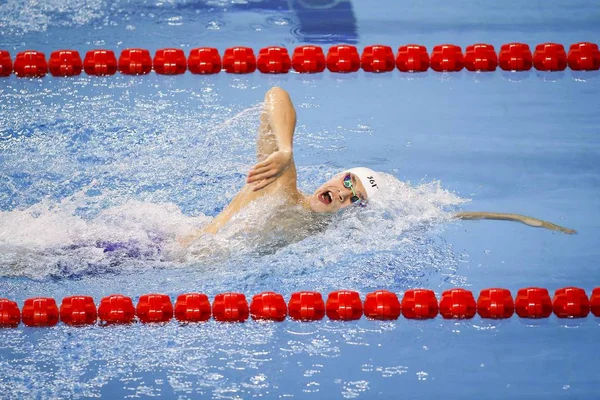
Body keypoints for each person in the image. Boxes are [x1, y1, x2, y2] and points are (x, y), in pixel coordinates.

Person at [181, 86, 575, 247]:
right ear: (334, 177)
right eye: (347, 181)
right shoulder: (284, 189)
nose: (344, 192)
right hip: (156, 254)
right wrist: (285, 149)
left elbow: (434, 215)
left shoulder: (316, 234)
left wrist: (517, 218)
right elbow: (276, 94)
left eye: (354, 197)